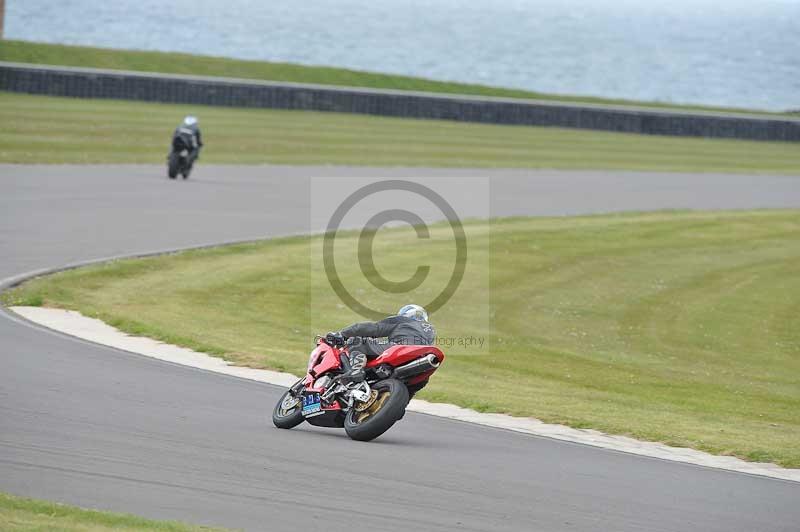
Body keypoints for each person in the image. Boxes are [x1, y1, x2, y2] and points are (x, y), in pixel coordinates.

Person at [329, 304, 436, 389]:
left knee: (357, 341)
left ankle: (357, 370)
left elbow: (373, 328)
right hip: (422, 358)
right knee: (416, 385)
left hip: (401, 348)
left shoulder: (402, 320)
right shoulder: (430, 329)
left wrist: (342, 334)